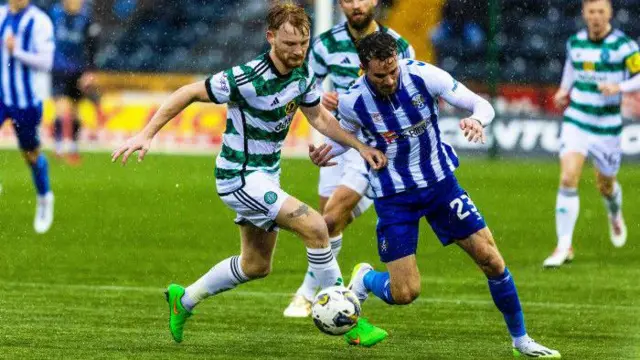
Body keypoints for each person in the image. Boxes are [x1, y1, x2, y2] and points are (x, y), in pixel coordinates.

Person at [111, 3, 388, 345]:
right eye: (289, 44)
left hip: (265, 176)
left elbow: (319, 118)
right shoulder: (245, 78)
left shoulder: (303, 75)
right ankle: (352, 325)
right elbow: (189, 92)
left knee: (256, 264)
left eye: (302, 43)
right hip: (239, 177)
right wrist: (147, 133)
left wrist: (359, 146)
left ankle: (183, 300)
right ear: (270, 38)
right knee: (316, 226)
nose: (297, 51)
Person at [309, 32, 561, 357]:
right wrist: (326, 152)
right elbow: (345, 137)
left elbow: (480, 103)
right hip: (394, 199)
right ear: (363, 68)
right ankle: (366, 278)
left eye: (392, 71)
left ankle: (521, 340)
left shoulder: (424, 75)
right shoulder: (353, 101)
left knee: (491, 259)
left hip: (441, 186)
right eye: (379, 75)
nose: (388, 80)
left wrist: (476, 119)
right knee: (405, 293)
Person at [284, 0, 415, 318]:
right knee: (329, 227)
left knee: (328, 220)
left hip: (372, 143)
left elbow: (408, 93)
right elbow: (305, 85)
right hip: (337, 140)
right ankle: (340, 290)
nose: (356, 5)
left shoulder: (398, 44)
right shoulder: (326, 44)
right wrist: (322, 99)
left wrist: (360, 101)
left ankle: (310, 294)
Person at [544, 0, 640, 268]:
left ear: (609, 14)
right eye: (591, 12)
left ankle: (614, 211)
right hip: (578, 119)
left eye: (601, 11)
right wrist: (564, 91)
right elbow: (571, 69)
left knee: (605, 185)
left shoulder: (624, 46)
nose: (596, 17)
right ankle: (564, 245)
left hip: (607, 126)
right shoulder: (575, 43)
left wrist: (620, 86)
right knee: (568, 177)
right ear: (584, 14)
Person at [0, 0, 55, 233]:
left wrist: (17, 52)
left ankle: (45, 198)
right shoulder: (1, 14)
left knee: (31, 155)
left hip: (27, 101)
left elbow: (47, 62)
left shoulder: (40, 21)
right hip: (1, 95)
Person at [50, 0, 100, 164]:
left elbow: (93, 45)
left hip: (78, 70)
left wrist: (90, 71)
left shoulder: (86, 17)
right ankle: (59, 145)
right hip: (59, 68)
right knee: (62, 107)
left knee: (75, 110)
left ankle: (72, 146)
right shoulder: (54, 13)